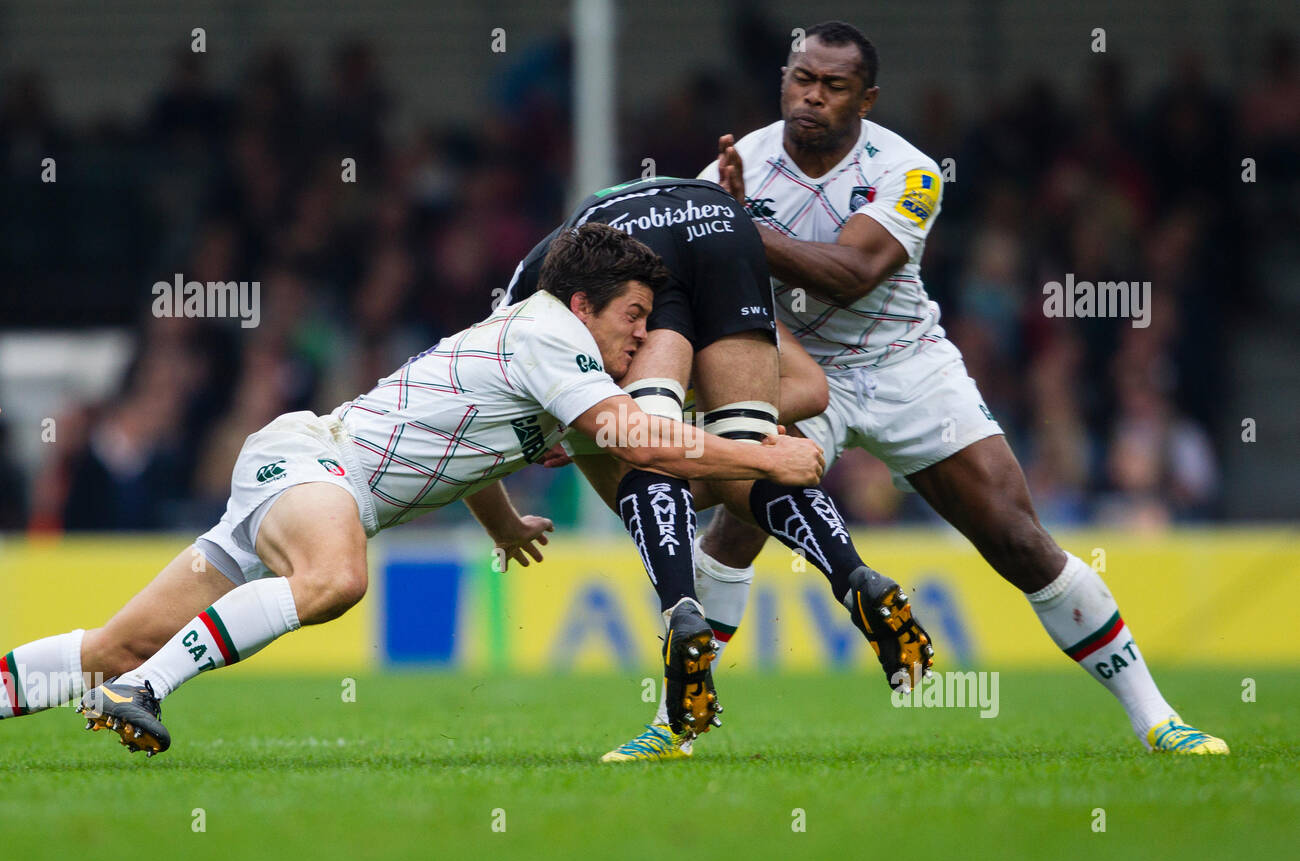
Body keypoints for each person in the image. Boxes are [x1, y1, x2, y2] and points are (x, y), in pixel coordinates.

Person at [0, 225, 825, 756]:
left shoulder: (539, 353)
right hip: (314, 466)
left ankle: (96, 679)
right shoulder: (551, 333)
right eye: (635, 315)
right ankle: (144, 692)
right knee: (336, 580)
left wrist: (500, 526)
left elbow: (466, 445)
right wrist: (765, 459)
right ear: (584, 305)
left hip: (297, 478)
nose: (644, 335)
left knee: (116, 640)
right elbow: (635, 438)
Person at [676, 19, 1226, 754]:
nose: (812, 97)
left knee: (1017, 538)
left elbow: (852, 273)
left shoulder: (911, 170)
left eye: (834, 87)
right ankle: (674, 724)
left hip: (904, 365)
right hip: (796, 370)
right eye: (802, 80)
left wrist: (740, 229)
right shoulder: (735, 165)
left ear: (865, 99)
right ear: (784, 79)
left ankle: (1157, 718)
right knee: (732, 526)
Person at [504, 175, 933, 762]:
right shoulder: (652, 272)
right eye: (633, 320)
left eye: (642, 319)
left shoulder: (539, 303)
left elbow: (502, 400)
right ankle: (854, 574)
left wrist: (617, 427)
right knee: (740, 454)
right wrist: (728, 432)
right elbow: (809, 388)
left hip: (641, 229)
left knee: (641, 458)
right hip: (724, 223)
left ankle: (681, 610)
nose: (639, 333)